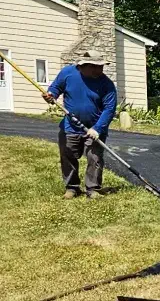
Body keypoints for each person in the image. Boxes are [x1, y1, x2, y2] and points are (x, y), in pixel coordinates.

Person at [44, 44, 118, 199]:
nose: (100, 70)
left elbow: (109, 109)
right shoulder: (68, 73)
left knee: (95, 158)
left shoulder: (107, 85)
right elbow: (56, 88)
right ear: (83, 66)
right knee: (68, 155)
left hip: (95, 129)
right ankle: (72, 187)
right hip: (70, 126)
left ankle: (93, 189)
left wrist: (97, 128)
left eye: (101, 66)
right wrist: (51, 95)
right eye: (96, 67)